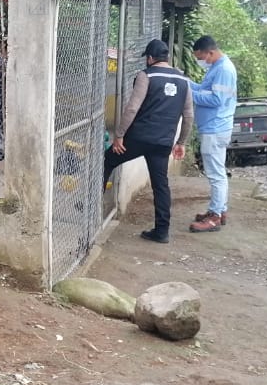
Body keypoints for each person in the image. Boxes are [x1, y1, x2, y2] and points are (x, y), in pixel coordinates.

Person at [102, 38, 193, 243]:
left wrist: (119, 135)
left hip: (139, 138)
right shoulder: (183, 80)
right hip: (163, 142)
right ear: (166, 58)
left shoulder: (147, 75)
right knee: (161, 185)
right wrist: (181, 142)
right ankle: (162, 231)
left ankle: (92, 210)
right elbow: (188, 115)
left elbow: (133, 108)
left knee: (108, 160)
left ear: (150, 58)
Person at [188, 34, 238, 233]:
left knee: (216, 175)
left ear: (210, 52)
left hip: (215, 128)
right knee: (217, 172)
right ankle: (218, 210)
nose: (200, 61)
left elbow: (216, 100)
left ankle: (215, 216)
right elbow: (204, 90)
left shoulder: (224, 69)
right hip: (213, 127)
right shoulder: (217, 67)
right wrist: (185, 82)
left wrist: (189, 94)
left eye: (201, 57)